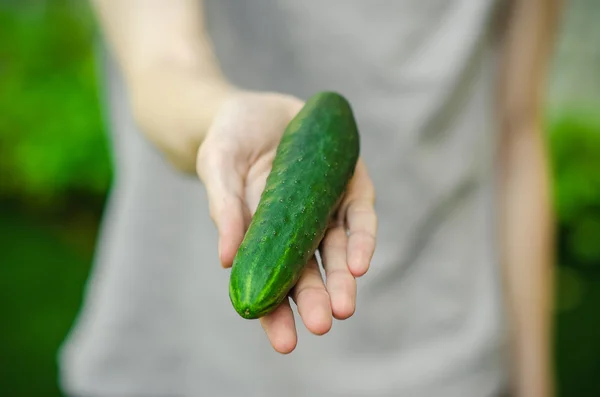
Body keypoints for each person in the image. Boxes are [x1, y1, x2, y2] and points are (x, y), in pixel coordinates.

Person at [58, 0, 563, 396]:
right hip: (181, 353)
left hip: (441, 353)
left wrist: (537, 382)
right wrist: (220, 114)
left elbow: (515, 135)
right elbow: (161, 64)